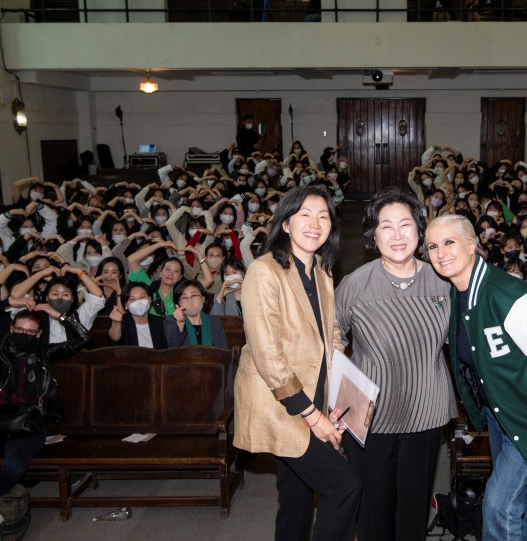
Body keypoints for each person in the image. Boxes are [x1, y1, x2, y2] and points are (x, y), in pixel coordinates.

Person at [425, 214, 527, 541]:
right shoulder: (456, 293)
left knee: (498, 506)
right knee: (513, 504)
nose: (440, 252)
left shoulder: (510, 294)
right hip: (501, 413)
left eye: (449, 242)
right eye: (432, 245)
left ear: (473, 246)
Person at [233, 186, 361, 541]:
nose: (315, 223)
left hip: (314, 400)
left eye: (323, 216)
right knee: (345, 486)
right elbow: (267, 354)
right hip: (283, 406)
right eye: (305, 214)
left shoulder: (322, 270)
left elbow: (332, 338)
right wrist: (313, 416)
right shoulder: (264, 271)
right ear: (285, 224)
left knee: (297, 498)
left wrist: (339, 401)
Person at [335, 188, 455, 541]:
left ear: (420, 231)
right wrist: (338, 410)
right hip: (369, 414)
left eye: (406, 224)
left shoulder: (444, 281)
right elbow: (331, 345)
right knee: (373, 507)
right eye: (386, 226)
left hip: (426, 409)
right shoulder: (355, 284)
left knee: (414, 506)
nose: (397, 234)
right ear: (373, 235)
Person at [0, 297, 90, 508]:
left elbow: (84, 338)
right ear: (11, 328)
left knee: (13, 468)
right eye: (20, 330)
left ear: (38, 334)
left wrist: (56, 314)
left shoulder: (45, 352)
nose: (24, 335)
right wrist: (9, 301)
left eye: (30, 332)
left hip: (28, 422)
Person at [164, 279, 229, 347]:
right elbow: (173, 349)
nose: (190, 301)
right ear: (178, 304)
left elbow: (223, 351)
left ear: (203, 299)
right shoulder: (171, 321)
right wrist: (180, 324)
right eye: (184, 297)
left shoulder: (215, 321)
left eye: (194, 295)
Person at [107, 282, 169, 349]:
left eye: (142, 297)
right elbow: (114, 341)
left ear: (150, 299)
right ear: (126, 305)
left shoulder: (161, 322)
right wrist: (116, 323)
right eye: (132, 299)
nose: (138, 302)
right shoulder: (122, 321)